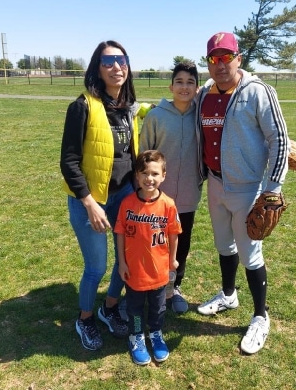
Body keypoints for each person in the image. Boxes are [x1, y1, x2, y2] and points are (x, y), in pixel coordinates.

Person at [195, 32, 289, 354]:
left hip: (248, 187)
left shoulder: (258, 91)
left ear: (239, 59)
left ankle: (261, 316)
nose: (220, 65)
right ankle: (228, 294)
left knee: (250, 254)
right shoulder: (205, 94)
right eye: (213, 59)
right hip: (215, 183)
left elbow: (280, 138)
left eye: (226, 57)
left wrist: (273, 188)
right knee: (224, 245)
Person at [60, 40, 152, 351]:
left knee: (125, 258)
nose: (116, 66)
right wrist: (89, 203)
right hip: (91, 200)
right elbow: (68, 161)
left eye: (121, 59)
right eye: (108, 61)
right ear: (97, 69)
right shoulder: (82, 106)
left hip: (124, 195)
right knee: (96, 266)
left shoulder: (129, 106)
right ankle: (85, 318)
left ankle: (109, 307)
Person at [139, 62, 202, 314]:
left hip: (188, 193)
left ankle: (173, 288)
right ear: (171, 86)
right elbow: (143, 155)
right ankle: (145, 287)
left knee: (180, 244)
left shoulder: (201, 114)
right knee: (152, 242)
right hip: (156, 196)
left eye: (190, 82)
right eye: (179, 81)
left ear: (197, 88)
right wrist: (144, 189)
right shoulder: (156, 116)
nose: (184, 87)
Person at [115, 150, 182, 365]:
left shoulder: (168, 205)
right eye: (144, 173)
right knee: (134, 308)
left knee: (158, 307)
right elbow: (120, 233)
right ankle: (136, 336)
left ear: (163, 175)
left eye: (154, 173)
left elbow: (173, 235)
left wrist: (173, 260)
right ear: (136, 175)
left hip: (159, 271)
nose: (149, 179)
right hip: (134, 271)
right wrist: (122, 263)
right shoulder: (127, 204)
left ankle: (155, 333)